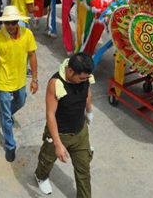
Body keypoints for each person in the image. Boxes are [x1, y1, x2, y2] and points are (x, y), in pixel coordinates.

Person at [34, 53, 95, 197]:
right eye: (81, 78)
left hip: (80, 132)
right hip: (59, 133)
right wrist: (58, 144)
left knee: (84, 171)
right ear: (70, 71)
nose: (84, 80)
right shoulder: (56, 84)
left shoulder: (84, 78)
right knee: (47, 161)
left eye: (86, 78)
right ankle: (40, 177)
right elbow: (50, 114)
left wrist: (89, 110)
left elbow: (88, 92)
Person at [0, 6, 38, 162]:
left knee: (21, 101)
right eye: (7, 23)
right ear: (3, 23)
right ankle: (10, 145)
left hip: (20, 79)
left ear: (18, 22)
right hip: (2, 81)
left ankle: (4, 112)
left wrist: (34, 79)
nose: (10, 26)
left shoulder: (27, 34)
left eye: (13, 22)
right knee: (8, 119)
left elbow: (32, 55)